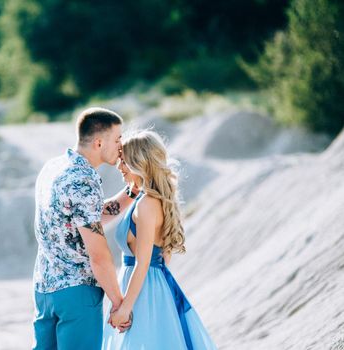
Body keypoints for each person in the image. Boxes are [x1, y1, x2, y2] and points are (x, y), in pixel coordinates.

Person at [32, 107, 138, 350]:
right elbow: (99, 255)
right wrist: (119, 302)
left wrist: (132, 191)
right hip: (77, 294)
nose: (121, 146)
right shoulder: (84, 181)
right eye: (118, 139)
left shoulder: (54, 167)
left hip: (44, 290)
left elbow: (82, 218)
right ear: (99, 142)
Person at [102, 130, 218, 349]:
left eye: (124, 161)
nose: (119, 167)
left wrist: (126, 307)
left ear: (139, 163)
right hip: (150, 285)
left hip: (142, 290)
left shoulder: (147, 204)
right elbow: (163, 257)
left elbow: (143, 261)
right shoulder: (148, 200)